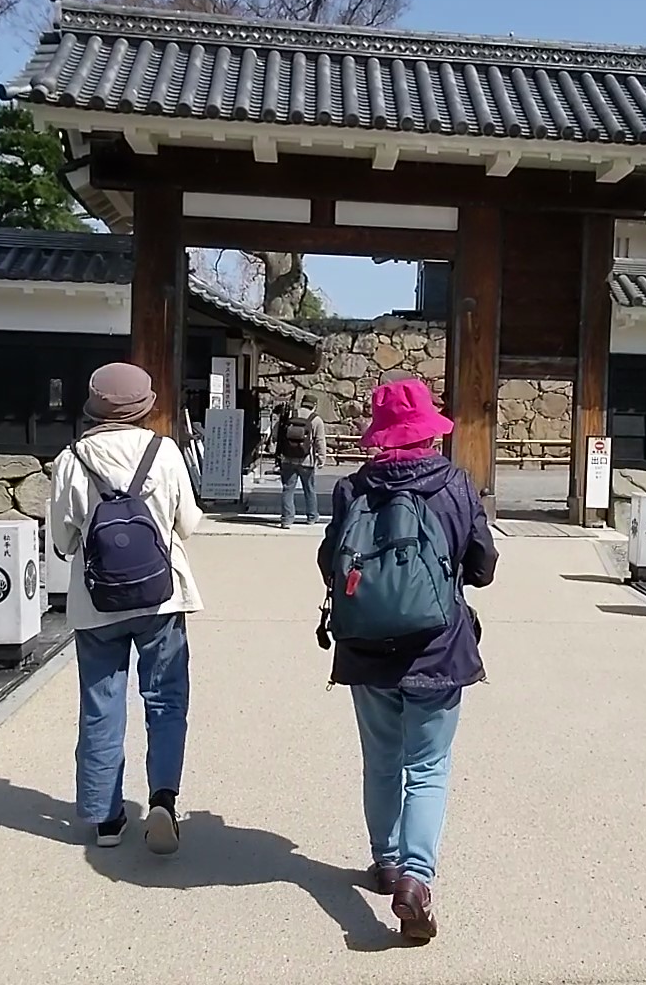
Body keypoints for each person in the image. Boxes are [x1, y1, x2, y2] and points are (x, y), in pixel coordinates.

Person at [316, 377, 497, 943]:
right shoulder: (455, 486)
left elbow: (329, 563)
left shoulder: (352, 488)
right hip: (437, 650)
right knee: (428, 767)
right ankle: (417, 879)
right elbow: (484, 566)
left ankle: (387, 861)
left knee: (381, 759)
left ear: (381, 432)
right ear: (428, 429)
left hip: (368, 653)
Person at [49, 363, 204, 854]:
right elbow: (189, 523)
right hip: (160, 597)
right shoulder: (164, 452)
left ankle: (106, 817)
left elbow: (62, 540)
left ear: (94, 406)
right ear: (145, 406)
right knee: (165, 701)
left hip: (97, 603)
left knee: (101, 705)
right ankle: (162, 800)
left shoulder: (71, 459)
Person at [273, 395, 328, 527]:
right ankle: (312, 517)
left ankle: (286, 519)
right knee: (309, 489)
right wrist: (321, 457)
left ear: (302, 403)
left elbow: (276, 434)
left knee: (287, 489)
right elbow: (320, 441)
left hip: (287, 459)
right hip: (306, 461)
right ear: (314, 405)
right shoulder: (316, 420)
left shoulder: (290, 414)